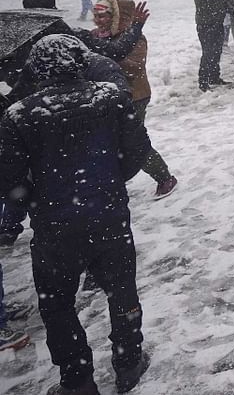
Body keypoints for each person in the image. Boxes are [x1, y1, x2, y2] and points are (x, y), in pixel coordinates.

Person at [0, 35, 153, 394]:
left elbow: (9, 182)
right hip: (109, 214)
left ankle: (77, 378)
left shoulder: (20, 115)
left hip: (54, 227)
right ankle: (128, 361)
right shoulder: (111, 97)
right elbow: (137, 150)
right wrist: (110, 181)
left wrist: (40, 201)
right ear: (81, 62)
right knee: (121, 291)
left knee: (57, 306)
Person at [91, 0, 179, 200]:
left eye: (103, 16)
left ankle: (164, 177)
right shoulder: (95, 36)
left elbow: (134, 66)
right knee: (108, 142)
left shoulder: (135, 37)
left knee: (132, 141)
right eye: (95, 16)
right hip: (106, 95)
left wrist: (103, 58)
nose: (98, 20)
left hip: (135, 96)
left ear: (115, 16)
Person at [189, 0, 232, 91]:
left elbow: (225, 2)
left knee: (217, 52)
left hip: (218, 24)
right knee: (208, 53)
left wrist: (231, 9)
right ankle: (203, 81)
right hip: (205, 25)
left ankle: (214, 77)